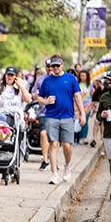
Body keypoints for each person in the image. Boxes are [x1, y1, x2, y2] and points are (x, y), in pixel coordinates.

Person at [37, 55, 86, 185]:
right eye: (53, 66)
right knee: (53, 144)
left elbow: (77, 96)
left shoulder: (71, 79)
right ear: (50, 67)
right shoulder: (47, 81)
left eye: (57, 66)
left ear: (62, 65)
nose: (55, 68)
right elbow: (39, 98)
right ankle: (54, 174)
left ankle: (67, 165)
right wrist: (46, 101)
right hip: (51, 116)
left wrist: (82, 114)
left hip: (67, 116)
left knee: (66, 145)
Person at [31, 58, 53, 171]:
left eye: (51, 66)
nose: (50, 69)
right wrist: (35, 95)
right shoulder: (40, 80)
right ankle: (45, 159)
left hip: (56, 112)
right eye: (48, 66)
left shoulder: (58, 79)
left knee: (54, 139)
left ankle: (54, 160)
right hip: (43, 112)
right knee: (43, 134)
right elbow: (33, 94)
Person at [96, 73, 111, 199]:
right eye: (108, 83)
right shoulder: (105, 97)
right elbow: (98, 116)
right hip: (108, 134)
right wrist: (102, 115)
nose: (109, 85)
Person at [91, 78, 109, 147]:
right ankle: (94, 140)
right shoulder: (96, 93)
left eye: (94, 86)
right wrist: (85, 113)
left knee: (103, 123)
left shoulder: (106, 90)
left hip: (107, 111)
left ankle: (102, 138)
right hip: (100, 111)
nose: (94, 88)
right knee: (96, 122)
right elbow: (92, 104)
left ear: (99, 84)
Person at [77, 69, 94, 144]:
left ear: (87, 76)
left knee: (85, 122)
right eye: (81, 75)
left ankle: (84, 137)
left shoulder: (90, 85)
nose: (82, 77)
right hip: (78, 107)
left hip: (87, 106)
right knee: (78, 122)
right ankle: (78, 137)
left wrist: (93, 107)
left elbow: (93, 96)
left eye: (83, 75)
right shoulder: (77, 84)